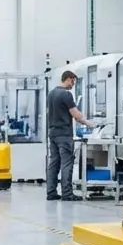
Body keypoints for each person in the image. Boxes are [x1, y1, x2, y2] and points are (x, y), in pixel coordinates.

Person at [46, 70, 93, 201]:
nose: (73, 84)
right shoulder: (66, 94)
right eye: (73, 81)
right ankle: (67, 194)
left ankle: (51, 192)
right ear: (68, 79)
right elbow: (76, 115)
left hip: (53, 133)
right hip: (64, 135)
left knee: (53, 163)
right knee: (66, 163)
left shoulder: (51, 93)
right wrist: (90, 124)